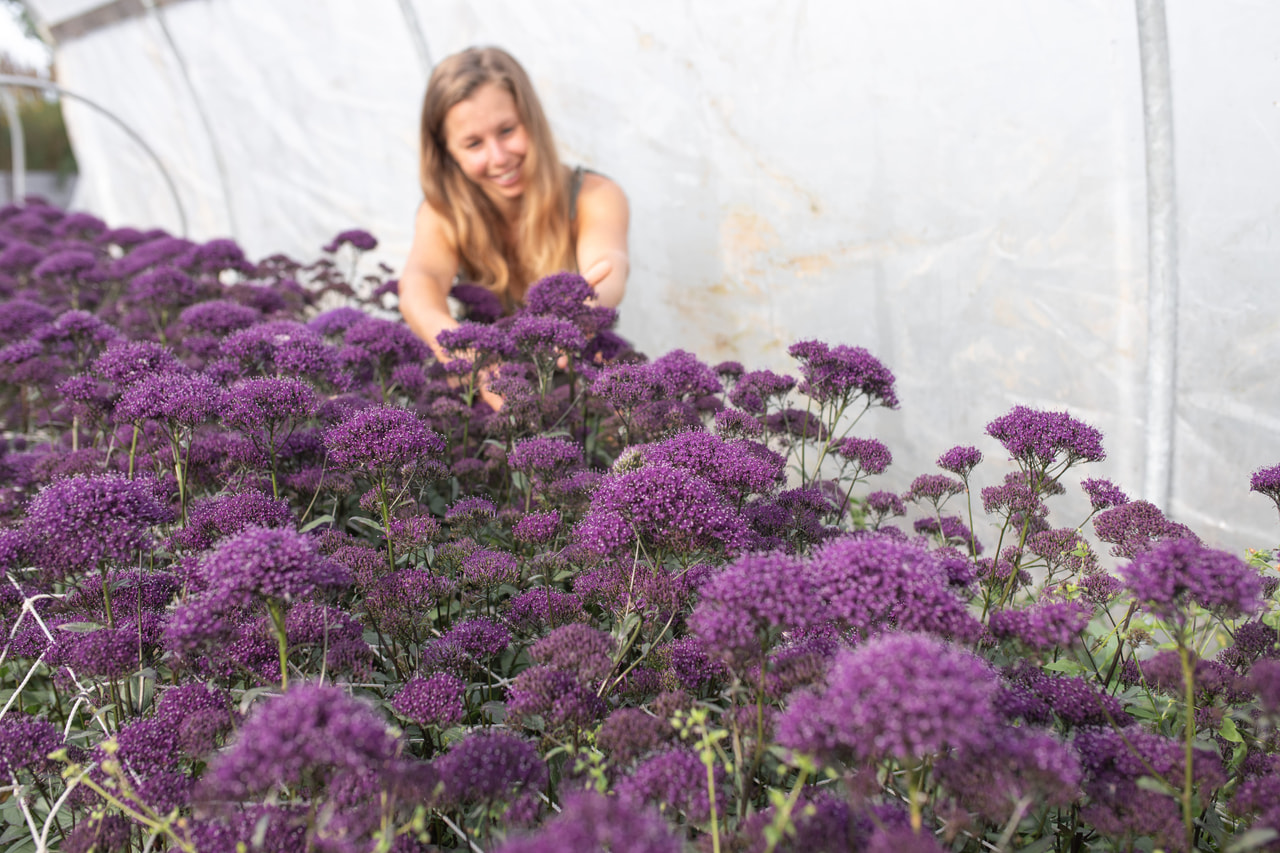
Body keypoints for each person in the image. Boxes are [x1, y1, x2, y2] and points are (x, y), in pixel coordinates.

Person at [398, 47, 629, 377]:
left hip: (580, 376)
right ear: (447, 152)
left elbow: (610, 265)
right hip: (487, 382)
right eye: (473, 143)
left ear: (532, 121)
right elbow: (420, 284)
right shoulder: (442, 214)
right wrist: (467, 355)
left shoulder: (593, 195)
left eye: (507, 130)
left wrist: (585, 310)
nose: (499, 156)